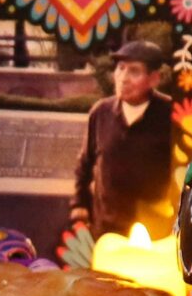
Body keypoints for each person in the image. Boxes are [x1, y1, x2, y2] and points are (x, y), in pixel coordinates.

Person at [71, 41, 179, 237]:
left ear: (154, 79)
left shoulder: (172, 115)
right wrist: (79, 204)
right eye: (120, 69)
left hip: (156, 230)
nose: (123, 78)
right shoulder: (101, 112)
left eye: (134, 71)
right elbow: (85, 164)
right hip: (107, 227)